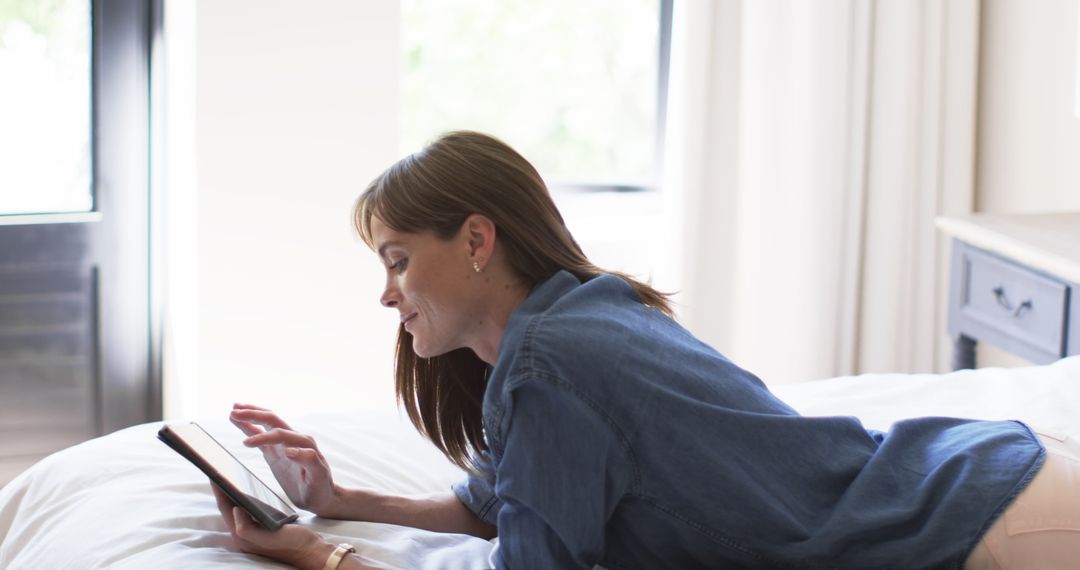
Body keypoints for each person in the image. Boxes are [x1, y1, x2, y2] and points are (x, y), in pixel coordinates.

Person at [213, 131, 1080, 570]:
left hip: (995, 519)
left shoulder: (556, 363)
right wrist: (343, 499)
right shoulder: (572, 319)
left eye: (399, 260)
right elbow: (507, 505)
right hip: (988, 478)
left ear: (477, 239)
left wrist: (317, 554)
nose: (387, 293)